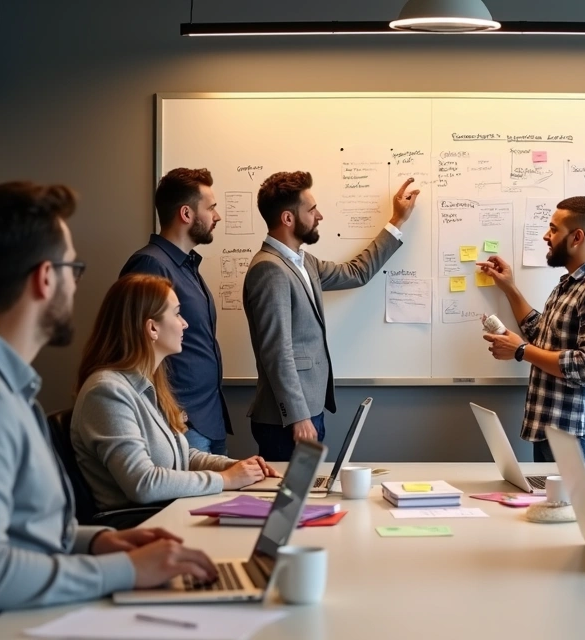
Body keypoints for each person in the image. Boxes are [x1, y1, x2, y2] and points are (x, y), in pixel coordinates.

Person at [0, 182, 217, 620]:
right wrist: (121, 570)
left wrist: (96, 542)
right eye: (75, 269)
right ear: (45, 278)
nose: (75, 285)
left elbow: (19, 534)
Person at [243, 172, 420, 460]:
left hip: (310, 411)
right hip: (287, 421)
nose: (319, 215)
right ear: (288, 219)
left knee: (306, 498)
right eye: (311, 210)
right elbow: (277, 351)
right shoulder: (269, 269)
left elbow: (356, 272)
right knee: (289, 503)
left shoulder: (303, 262)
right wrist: (298, 417)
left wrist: (397, 221)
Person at [72, 274, 278, 514]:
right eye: (177, 314)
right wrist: (226, 480)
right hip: (140, 528)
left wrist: (236, 467)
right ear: (152, 328)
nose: (184, 323)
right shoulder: (106, 392)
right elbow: (143, 484)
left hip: (167, 516)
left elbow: (182, 456)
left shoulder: (147, 384)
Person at [476, 196, 585, 463]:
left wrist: (520, 350)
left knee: (574, 507)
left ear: (577, 237)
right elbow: (541, 336)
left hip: (578, 438)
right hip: (555, 433)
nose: (547, 236)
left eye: (554, 229)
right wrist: (509, 288)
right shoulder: (569, 285)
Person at [121, 168, 231, 455]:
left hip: (207, 417)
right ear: (186, 214)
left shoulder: (188, 266)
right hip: (181, 422)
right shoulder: (150, 266)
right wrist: (166, 411)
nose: (216, 216)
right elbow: (134, 351)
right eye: (211, 208)